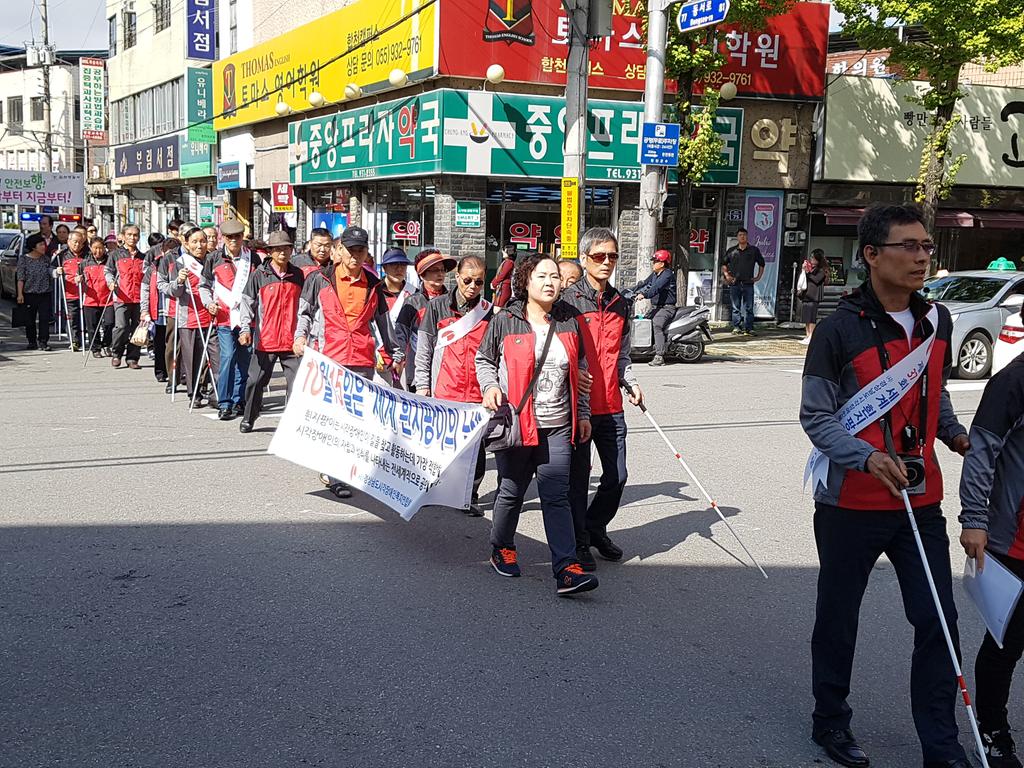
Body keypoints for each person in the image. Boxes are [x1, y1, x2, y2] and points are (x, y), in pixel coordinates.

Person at [800, 203, 971, 768]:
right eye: (909, 246)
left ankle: (941, 747)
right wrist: (866, 457)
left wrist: (950, 431)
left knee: (938, 623)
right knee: (838, 619)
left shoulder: (936, 322)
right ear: (871, 255)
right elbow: (817, 417)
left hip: (920, 501)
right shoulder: (836, 328)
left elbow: (934, 389)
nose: (922, 256)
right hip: (850, 502)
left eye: (927, 246)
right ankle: (831, 721)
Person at [476, 253, 596, 597]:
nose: (550, 282)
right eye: (542, 276)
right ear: (525, 281)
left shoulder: (570, 319)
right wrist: (491, 387)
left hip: (558, 424)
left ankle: (567, 569)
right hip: (518, 423)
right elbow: (484, 358)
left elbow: (582, 372)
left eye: (555, 276)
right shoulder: (506, 319)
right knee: (511, 492)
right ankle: (502, 546)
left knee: (556, 495)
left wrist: (583, 413)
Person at [293, 225, 404, 498]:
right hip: (329, 357)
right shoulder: (320, 279)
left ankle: (346, 469)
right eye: (350, 250)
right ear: (339, 251)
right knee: (335, 418)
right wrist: (300, 337)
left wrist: (394, 353)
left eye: (360, 250)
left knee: (356, 420)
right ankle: (336, 474)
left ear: (367, 253)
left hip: (362, 359)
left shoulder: (373, 283)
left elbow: (382, 321)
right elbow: (305, 312)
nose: (355, 256)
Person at [958, 332, 1024, 768]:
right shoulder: (1013, 381)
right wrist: (974, 520)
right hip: (1016, 538)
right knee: (1007, 643)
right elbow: (981, 450)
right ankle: (993, 731)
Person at [563, 228, 642, 570]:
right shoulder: (567, 302)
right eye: (599, 256)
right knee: (578, 481)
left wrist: (631, 382)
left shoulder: (621, 303)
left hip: (611, 405)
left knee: (617, 476)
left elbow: (622, 355)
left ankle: (595, 526)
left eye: (612, 256)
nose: (607, 262)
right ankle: (579, 541)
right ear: (584, 259)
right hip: (576, 408)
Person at [415, 255, 493, 516]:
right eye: (468, 280)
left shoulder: (488, 311)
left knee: (475, 448)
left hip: (476, 391)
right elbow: (424, 349)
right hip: (444, 388)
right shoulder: (437, 307)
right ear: (458, 277)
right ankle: (433, 488)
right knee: (438, 444)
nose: (473, 286)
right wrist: (422, 386)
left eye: (479, 282)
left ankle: (469, 495)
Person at [237, 231, 305, 433]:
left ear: (292, 250)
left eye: (286, 248)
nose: (282, 252)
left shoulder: (298, 275)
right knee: (255, 381)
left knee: (297, 383)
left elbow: (304, 306)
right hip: (265, 340)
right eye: (277, 249)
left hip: (291, 341)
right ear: (269, 252)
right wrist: (245, 328)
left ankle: (293, 421)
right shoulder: (259, 275)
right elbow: (247, 303)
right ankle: (249, 417)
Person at [199, 218, 262, 421]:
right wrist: (208, 303)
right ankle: (224, 402)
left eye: (237, 236)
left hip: (247, 319)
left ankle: (239, 399)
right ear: (222, 238)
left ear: (242, 237)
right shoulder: (214, 258)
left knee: (245, 360)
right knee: (227, 358)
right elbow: (204, 285)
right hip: (224, 318)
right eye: (229, 237)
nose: (234, 240)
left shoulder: (253, 258)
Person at [165, 225, 220, 406]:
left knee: (217, 356)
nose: (200, 245)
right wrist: (179, 281)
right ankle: (194, 393)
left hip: (214, 316)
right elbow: (174, 292)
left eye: (203, 241)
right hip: (189, 316)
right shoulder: (180, 263)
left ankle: (217, 392)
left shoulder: (216, 259)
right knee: (193, 358)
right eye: (195, 242)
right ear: (186, 244)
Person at [396, 248, 455, 392]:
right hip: (416, 370)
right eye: (434, 270)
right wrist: (398, 358)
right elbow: (400, 335)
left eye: (442, 270)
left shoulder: (453, 301)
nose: (440, 274)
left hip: (447, 371)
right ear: (422, 275)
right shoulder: (412, 302)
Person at [105, 224, 146, 369]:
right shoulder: (115, 254)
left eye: (135, 235)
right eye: (129, 234)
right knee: (121, 327)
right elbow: (108, 271)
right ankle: (117, 353)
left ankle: (133, 357)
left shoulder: (143, 257)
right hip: (121, 296)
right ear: (123, 236)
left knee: (137, 328)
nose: (132, 238)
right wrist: (110, 282)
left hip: (139, 298)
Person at [632, 249, 677, 366]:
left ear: (662, 263)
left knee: (656, 324)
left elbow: (655, 288)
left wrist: (644, 295)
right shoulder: (655, 274)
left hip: (667, 308)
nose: (653, 263)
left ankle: (659, 356)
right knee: (643, 320)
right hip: (657, 307)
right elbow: (645, 284)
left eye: (655, 261)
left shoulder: (667, 274)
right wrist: (632, 291)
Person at [378, 247, 414, 387]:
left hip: (406, 362)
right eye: (394, 264)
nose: (399, 268)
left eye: (403, 265)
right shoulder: (374, 292)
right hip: (379, 358)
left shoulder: (414, 294)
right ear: (385, 268)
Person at [139, 234, 171, 383]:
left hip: (174, 311)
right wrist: (144, 310)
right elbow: (145, 289)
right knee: (159, 343)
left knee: (173, 345)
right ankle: (160, 370)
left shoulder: (181, 266)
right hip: (158, 310)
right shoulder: (154, 267)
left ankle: (174, 372)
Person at [722, 228, 765, 336]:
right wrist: (727, 275)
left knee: (749, 307)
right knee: (736, 307)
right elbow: (724, 264)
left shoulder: (754, 250)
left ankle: (749, 328)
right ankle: (736, 327)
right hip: (735, 283)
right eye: (740, 235)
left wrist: (758, 277)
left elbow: (761, 264)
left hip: (748, 283)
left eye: (744, 235)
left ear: (747, 236)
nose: (742, 237)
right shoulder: (731, 251)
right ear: (737, 237)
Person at [15, 233, 54, 351]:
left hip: (45, 294)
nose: (43, 247)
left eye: (44, 244)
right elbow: (21, 278)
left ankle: (43, 342)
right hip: (29, 294)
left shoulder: (46, 259)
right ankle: (32, 341)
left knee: (44, 319)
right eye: (41, 244)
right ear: (33, 246)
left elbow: (50, 274)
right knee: (29, 320)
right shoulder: (24, 259)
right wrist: (20, 294)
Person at [52, 227, 89, 351]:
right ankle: (74, 340)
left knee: (83, 317)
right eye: (74, 242)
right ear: (68, 241)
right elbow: (50, 269)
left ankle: (82, 339)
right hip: (69, 292)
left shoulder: (87, 254)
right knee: (72, 318)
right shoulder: (61, 255)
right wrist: (56, 271)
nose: (77, 244)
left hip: (85, 293)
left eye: (80, 242)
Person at [78, 236, 115, 357]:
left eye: (100, 248)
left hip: (108, 298)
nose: (98, 251)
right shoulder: (85, 263)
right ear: (90, 248)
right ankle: (95, 348)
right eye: (95, 248)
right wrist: (78, 279)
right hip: (91, 299)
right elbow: (78, 277)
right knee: (92, 326)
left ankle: (107, 344)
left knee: (109, 323)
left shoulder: (110, 261)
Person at [801, 249, 828, 345]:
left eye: (813, 258)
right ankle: (807, 334)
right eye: (811, 257)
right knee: (806, 316)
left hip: (814, 295)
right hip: (807, 294)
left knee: (812, 316)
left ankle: (812, 335)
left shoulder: (822, 270)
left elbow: (816, 279)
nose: (811, 260)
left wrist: (808, 272)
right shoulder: (811, 268)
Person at [490, 243, 518, 308]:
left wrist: (494, 283)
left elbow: (502, 275)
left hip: (503, 288)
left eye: (504, 251)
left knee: (498, 306)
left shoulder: (509, 262)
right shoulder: (507, 262)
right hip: (502, 286)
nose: (503, 253)